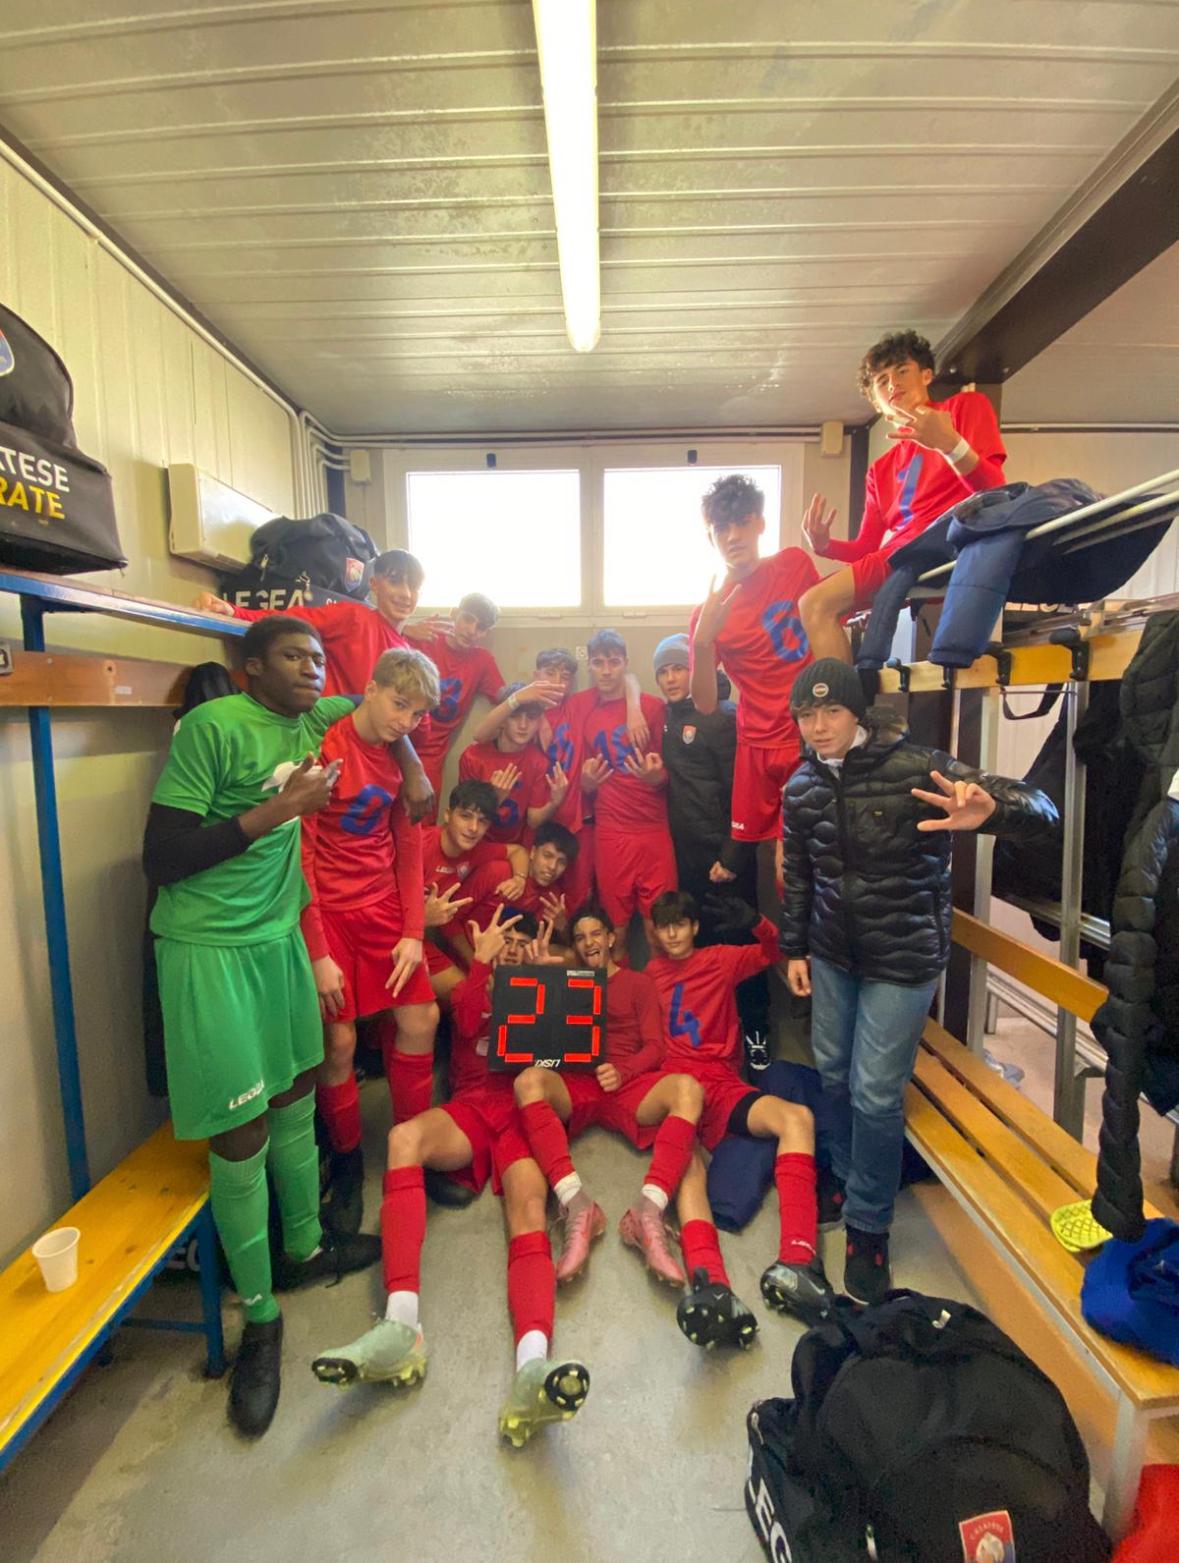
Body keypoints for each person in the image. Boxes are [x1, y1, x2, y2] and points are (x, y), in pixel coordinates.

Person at [142, 616, 381, 1438]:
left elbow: (386, 700)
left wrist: (418, 764)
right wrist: (280, 808)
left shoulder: (312, 717)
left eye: (318, 657)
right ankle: (260, 1314)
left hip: (279, 936)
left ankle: (305, 1249)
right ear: (250, 667)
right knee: (240, 1127)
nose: (312, 668)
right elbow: (161, 855)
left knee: (295, 1091)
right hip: (210, 949)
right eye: (293, 656)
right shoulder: (213, 727)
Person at [780, 658, 1059, 1304]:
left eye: (830, 711)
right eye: (806, 714)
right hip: (832, 954)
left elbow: (1041, 808)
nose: (818, 726)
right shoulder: (801, 786)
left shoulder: (918, 768)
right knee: (832, 1073)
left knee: (875, 1093)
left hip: (902, 958)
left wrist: (994, 810)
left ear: (856, 713)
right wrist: (794, 947)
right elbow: (799, 876)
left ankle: (868, 1225)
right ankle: (845, 1174)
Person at [310, 907, 592, 1448]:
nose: (513, 950)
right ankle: (401, 1325)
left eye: (521, 943)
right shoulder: (472, 983)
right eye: (506, 942)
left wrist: (544, 981)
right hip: (473, 1109)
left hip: (521, 1115)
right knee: (402, 1139)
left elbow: (566, 1060)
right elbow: (462, 1020)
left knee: (528, 1212)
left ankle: (532, 1366)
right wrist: (483, 965)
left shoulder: (545, 982)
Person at [645, 889, 833, 1329]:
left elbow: (776, 951)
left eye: (680, 924)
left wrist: (755, 921)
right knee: (685, 1163)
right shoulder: (650, 974)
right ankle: (711, 1283)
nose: (672, 934)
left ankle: (797, 1260)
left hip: (723, 1085)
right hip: (675, 1085)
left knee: (797, 1118)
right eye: (664, 926)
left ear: (694, 927)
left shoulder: (719, 960)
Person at [299, 648, 441, 1232]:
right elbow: (302, 856)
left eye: (417, 714)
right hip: (329, 913)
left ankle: (415, 1144)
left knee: (422, 1018)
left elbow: (408, 849)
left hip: (382, 907)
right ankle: (348, 1161)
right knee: (338, 1044)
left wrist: (413, 932)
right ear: (372, 688)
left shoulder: (401, 761)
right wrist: (318, 954)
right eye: (398, 704)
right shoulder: (325, 747)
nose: (405, 721)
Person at [511, 904, 704, 1284]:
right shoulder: (567, 980)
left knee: (688, 1089)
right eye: (580, 937)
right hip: (579, 1083)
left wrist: (624, 1071)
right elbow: (535, 1039)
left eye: (596, 933)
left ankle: (648, 1210)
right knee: (527, 1082)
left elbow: (655, 1047)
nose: (588, 942)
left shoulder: (637, 982)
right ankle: (577, 1204)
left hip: (627, 1083)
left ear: (611, 938)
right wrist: (539, 978)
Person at [799, 330, 1007, 664]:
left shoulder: (963, 408)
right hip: (900, 555)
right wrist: (825, 546)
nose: (893, 383)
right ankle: (842, 693)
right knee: (812, 604)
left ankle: (839, 697)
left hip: (945, 540)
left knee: (814, 603)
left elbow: (995, 493)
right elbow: (866, 547)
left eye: (902, 370)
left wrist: (950, 445)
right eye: (882, 381)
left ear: (926, 375)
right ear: (876, 402)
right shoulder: (879, 470)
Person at [195, 549, 437, 820]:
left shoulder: (408, 655)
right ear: (374, 583)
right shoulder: (355, 617)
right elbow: (293, 623)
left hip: (370, 761)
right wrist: (235, 611)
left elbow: (421, 730)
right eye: (395, 581)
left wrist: (414, 755)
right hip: (325, 748)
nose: (405, 593)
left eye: (413, 586)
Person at [689, 474, 818, 855]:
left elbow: (828, 620)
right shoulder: (708, 612)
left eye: (743, 522)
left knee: (815, 854)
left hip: (809, 733)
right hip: (758, 742)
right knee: (772, 864)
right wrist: (702, 642)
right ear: (711, 537)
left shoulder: (794, 564)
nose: (733, 536)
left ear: (760, 523)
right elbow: (705, 704)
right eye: (721, 528)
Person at [653, 631, 769, 1048]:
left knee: (740, 944)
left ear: (696, 670)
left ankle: (756, 1034)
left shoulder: (723, 716)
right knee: (699, 952)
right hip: (687, 859)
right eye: (663, 671)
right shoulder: (668, 718)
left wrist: (734, 854)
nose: (670, 678)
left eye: (678, 668)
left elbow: (746, 789)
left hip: (726, 857)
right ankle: (707, 1038)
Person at [573, 629, 676, 949]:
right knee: (613, 934)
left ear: (625, 663)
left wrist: (655, 777)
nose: (606, 671)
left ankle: (659, 985)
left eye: (614, 662)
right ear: (590, 666)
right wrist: (587, 784)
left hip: (652, 830)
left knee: (660, 930)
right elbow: (584, 781)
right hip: (611, 832)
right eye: (599, 663)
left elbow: (671, 775)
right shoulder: (585, 711)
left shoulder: (652, 707)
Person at [420, 779, 528, 1004]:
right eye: (466, 816)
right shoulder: (419, 846)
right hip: (391, 934)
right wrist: (420, 919)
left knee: (471, 997)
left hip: (425, 938)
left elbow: (517, 851)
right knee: (428, 1014)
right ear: (448, 815)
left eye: (482, 821)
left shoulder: (476, 850)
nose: (473, 828)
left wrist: (519, 879)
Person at [404, 592, 505, 795]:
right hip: (395, 738)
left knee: (421, 810)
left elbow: (506, 698)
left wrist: (530, 699)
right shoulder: (424, 639)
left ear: (486, 633)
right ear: (454, 614)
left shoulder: (482, 660)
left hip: (430, 755)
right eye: (468, 619)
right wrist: (404, 629)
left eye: (481, 627)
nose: (472, 631)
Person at [459, 682, 568, 847]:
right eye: (515, 716)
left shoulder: (538, 761)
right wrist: (494, 797)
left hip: (515, 848)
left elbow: (533, 821)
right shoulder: (473, 757)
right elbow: (463, 817)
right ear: (502, 720)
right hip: (475, 844)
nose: (523, 725)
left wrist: (554, 803)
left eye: (531, 717)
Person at [467, 821, 580, 949]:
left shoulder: (552, 898)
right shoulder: (498, 872)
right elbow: (453, 922)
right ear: (533, 852)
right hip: (468, 950)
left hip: (507, 957)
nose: (552, 867)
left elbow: (548, 945)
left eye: (561, 862)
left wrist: (562, 927)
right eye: (547, 856)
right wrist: (473, 959)